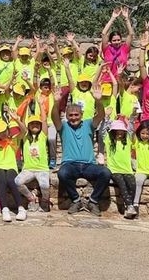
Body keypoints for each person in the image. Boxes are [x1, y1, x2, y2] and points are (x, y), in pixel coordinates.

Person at [51, 80, 110, 216]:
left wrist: (98, 101)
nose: (73, 118)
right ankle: (76, 200)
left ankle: (93, 201)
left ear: (81, 115)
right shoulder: (63, 127)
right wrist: (56, 102)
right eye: (70, 115)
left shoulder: (89, 124)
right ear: (66, 116)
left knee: (105, 173)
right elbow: (54, 117)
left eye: (76, 115)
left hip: (89, 165)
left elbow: (100, 115)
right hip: (70, 164)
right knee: (62, 173)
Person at [15, 113, 52, 213]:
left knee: (45, 185)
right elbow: (22, 128)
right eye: (32, 123)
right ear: (28, 126)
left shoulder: (43, 136)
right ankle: (31, 198)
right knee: (17, 182)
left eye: (37, 123)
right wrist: (17, 120)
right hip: (28, 169)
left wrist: (40, 104)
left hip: (42, 169)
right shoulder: (25, 137)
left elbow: (44, 120)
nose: (35, 125)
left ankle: (45, 201)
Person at [104, 119, 137, 219]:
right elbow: (103, 131)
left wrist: (132, 116)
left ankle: (128, 207)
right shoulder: (109, 141)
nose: (119, 133)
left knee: (132, 184)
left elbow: (131, 129)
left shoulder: (127, 140)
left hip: (127, 169)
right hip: (114, 170)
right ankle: (130, 206)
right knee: (122, 184)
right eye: (117, 131)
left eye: (121, 131)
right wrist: (107, 118)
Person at [100, 6, 135, 79]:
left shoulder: (124, 48)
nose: (117, 42)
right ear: (110, 41)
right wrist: (113, 18)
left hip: (121, 80)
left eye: (118, 40)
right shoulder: (106, 49)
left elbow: (131, 34)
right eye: (114, 40)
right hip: (107, 80)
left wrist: (126, 19)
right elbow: (103, 34)